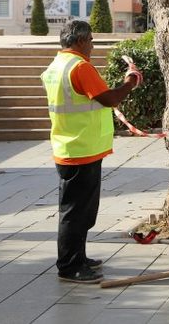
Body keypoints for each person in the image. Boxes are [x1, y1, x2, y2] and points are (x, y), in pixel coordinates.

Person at [41, 20, 141, 283]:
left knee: (81, 211)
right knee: (75, 212)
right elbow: (108, 98)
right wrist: (130, 82)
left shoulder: (56, 66)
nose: (93, 47)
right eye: (92, 42)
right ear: (81, 41)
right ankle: (69, 266)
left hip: (71, 145)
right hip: (80, 148)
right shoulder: (80, 67)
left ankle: (79, 258)